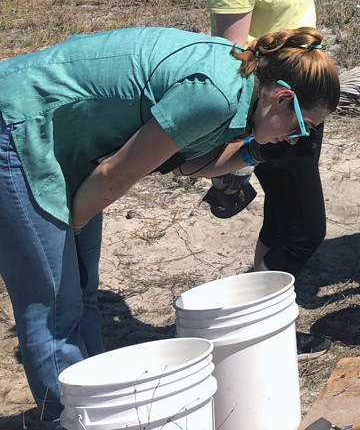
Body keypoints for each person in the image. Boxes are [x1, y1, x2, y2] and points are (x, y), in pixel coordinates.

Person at [0, 26, 340, 428]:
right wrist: (72, 227)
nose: (295, 141)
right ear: (283, 98)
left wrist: (252, 152)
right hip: (19, 120)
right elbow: (113, 175)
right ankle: (65, 419)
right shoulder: (214, 94)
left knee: (81, 292)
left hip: (65, 141)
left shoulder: (242, 86)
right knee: (54, 305)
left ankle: (96, 410)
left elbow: (182, 163)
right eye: (302, 128)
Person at [203, 0, 332, 356]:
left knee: (282, 215)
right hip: (277, 111)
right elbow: (232, 54)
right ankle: (262, 318)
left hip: (302, 103)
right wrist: (259, 125)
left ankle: (262, 316)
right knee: (306, 229)